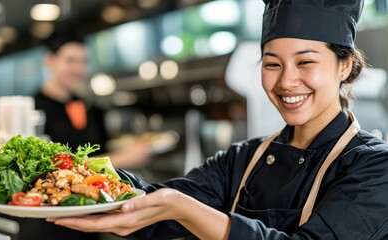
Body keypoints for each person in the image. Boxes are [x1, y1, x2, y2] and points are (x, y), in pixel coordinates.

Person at [48, 0, 388, 239]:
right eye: (272, 64)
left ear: (344, 65)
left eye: (305, 62)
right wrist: (69, 172)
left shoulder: (374, 168)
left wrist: (184, 209)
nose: (286, 81)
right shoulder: (243, 159)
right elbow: (151, 206)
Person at [33, 29, 151, 169]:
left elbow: (101, 149)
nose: (78, 69)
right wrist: (122, 159)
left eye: (84, 61)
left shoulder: (88, 105)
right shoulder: (33, 109)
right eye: (70, 61)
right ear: (50, 60)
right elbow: (49, 167)